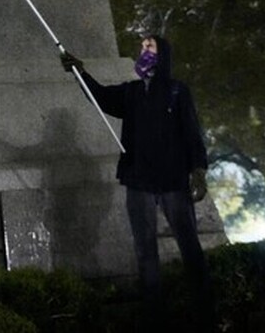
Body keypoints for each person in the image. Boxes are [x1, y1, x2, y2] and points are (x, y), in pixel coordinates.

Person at [61, 35, 215, 327]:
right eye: (142, 46)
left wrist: (198, 170)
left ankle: (205, 313)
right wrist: (79, 72)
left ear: (163, 55)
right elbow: (102, 98)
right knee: (145, 252)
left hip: (173, 182)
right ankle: (154, 317)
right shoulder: (131, 92)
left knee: (190, 247)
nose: (143, 50)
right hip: (139, 181)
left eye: (150, 46)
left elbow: (192, 132)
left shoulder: (177, 91)